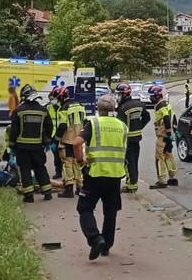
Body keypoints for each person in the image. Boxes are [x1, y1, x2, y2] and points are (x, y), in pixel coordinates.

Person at [74, 95, 128, 260]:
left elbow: (77, 143)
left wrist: (80, 161)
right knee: (110, 212)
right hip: (115, 175)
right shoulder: (122, 126)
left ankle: (95, 238)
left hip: (95, 174)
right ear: (114, 109)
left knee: (84, 208)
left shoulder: (93, 123)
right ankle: (106, 246)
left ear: (98, 109)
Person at [10, 84, 54, 202]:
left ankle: (29, 196)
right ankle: (47, 192)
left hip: (22, 147)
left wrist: (11, 144)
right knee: (40, 168)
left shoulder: (18, 111)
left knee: (25, 170)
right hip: (38, 147)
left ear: (24, 96)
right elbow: (49, 127)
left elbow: (13, 130)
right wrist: (47, 140)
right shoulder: (43, 110)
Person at [115, 83, 150, 193]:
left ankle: (131, 185)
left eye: (119, 94)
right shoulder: (139, 104)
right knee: (134, 161)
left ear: (123, 94)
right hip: (137, 138)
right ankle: (133, 183)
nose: (117, 97)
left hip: (127, 140)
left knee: (129, 162)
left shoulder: (123, 108)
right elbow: (147, 117)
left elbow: (120, 126)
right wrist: (139, 127)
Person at [54, 87, 86, 198]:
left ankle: (68, 189)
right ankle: (79, 187)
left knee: (67, 163)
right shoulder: (80, 105)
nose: (57, 101)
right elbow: (85, 121)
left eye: (58, 98)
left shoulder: (63, 108)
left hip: (67, 140)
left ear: (62, 97)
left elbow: (62, 125)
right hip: (78, 139)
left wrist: (56, 139)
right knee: (77, 162)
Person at [147, 86, 178, 189]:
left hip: (163, 135)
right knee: (169, 155)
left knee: (159, 157)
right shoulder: (167, 104)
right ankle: (173, 178)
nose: (151, 98)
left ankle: (162, 180)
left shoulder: (161, 106)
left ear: (157, 95)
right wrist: (173, 132)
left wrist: (168, 132)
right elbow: (173, 117)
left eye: (152, 96)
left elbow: (166, 118)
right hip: (168, 135)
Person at [48, 86, 63, 179]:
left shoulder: (62, 107)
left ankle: (70, 173)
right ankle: (58, 172)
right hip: (53, 135)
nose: (51, 101)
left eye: (52, 99)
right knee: (56, 156)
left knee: (65, 156)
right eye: (50, 99)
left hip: (62, 135)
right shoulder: (50, 108)